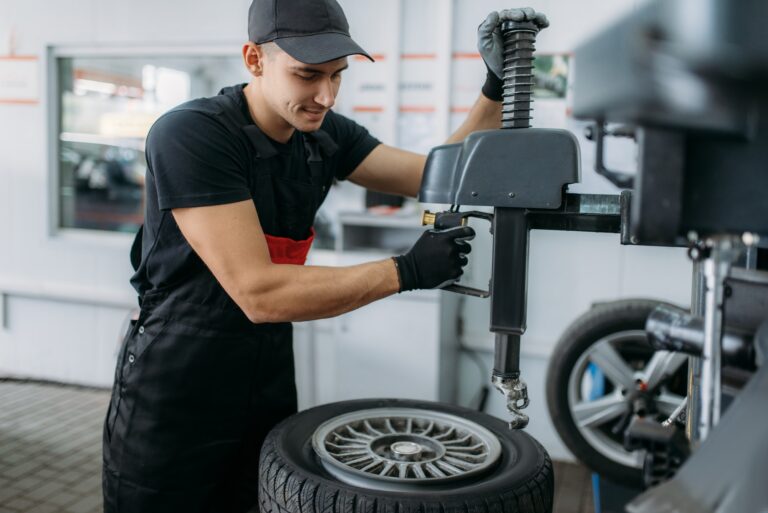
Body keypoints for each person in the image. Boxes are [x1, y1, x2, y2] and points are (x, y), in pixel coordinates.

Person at [101, 1, 548, 512]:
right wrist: (406, 270)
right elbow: (259, 293)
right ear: (254, 60)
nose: (326, 96)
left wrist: (495, 85)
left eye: (338, 76)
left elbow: (441, 176)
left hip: (266, 370)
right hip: (177, 383)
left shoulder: (325, 135)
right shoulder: (193, 134)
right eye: (307, 75)